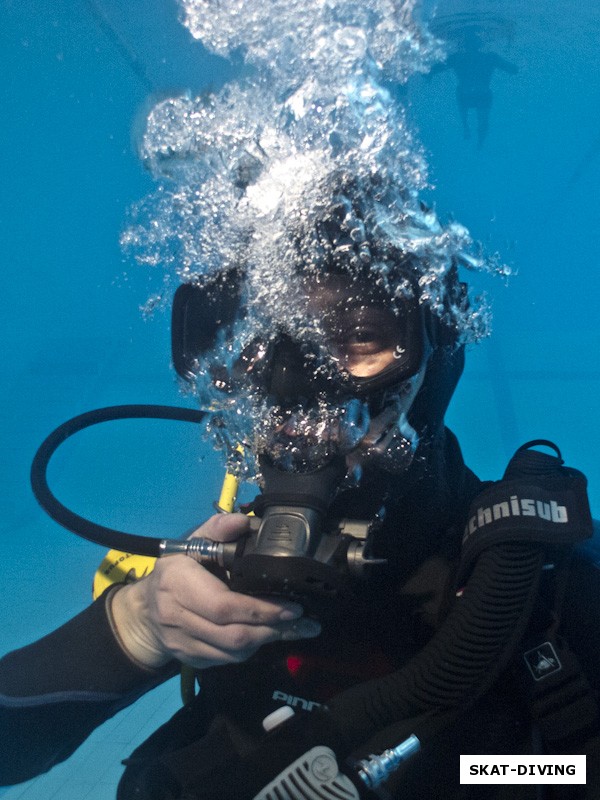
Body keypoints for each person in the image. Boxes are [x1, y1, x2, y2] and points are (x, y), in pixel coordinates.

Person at [1, 187, 599, 800]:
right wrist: (134, 629)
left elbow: (573, 768)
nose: (292, 392)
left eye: (359, 336)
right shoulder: (214, 573)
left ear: (435, 359)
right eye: (253, 347)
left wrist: (473, 767)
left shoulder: (536, 582)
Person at [429, 30, 518, 148]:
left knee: (463, 95)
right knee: (483, 120)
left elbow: (434, 69)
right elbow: (513, 70)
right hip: (482, 94)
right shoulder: (490, 57)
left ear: (464, 46)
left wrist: (427, 75)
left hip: (465, 95)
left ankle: (466, 127)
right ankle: (479, 142)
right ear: (480, 45)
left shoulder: (457, 58)